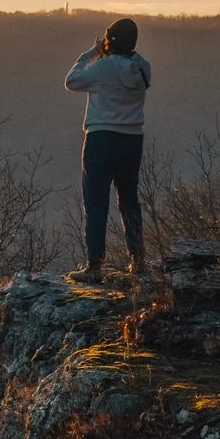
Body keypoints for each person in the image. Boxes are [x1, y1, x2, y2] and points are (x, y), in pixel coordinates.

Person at [64, 18, 151, 284]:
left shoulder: (101, 67)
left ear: (109, 41)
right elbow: (132, 63)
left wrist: (91, 53)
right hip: (132, 140)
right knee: (129, 200)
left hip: (101, 138)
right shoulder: (142, 68)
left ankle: (94, 265)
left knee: (96, 201)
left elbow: (72, 80)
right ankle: (137, 258)